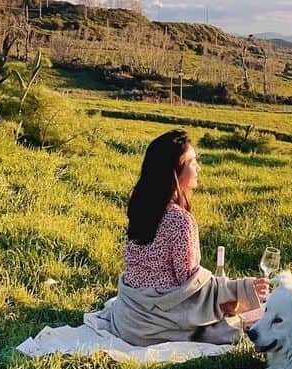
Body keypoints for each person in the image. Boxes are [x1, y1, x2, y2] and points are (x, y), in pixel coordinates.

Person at [94, 129, 269, 347]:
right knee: (235, 326)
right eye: (192, 162)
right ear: (175, 173)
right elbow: (192, 287)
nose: (198, 168)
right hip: (154, 327)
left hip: (128, 319)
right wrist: (243, 289)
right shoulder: (180, 220)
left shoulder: (141, 207)